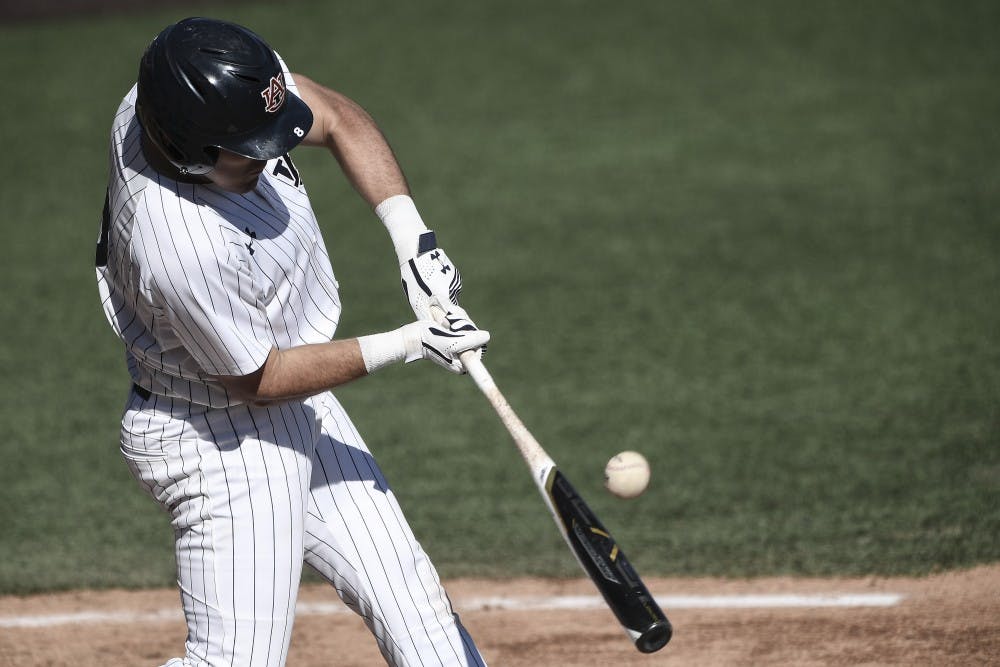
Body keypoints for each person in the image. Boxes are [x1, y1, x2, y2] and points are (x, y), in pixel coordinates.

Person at [95, 16, 491, 667]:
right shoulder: (176, 242)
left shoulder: (216, 86)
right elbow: (260, 379)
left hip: (297, 396)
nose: (269, 153)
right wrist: (409, 342)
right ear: (189, 148)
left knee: (415, 608)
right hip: (218, 439)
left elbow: (333, 117)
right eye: (247, 148)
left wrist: (412, 237)